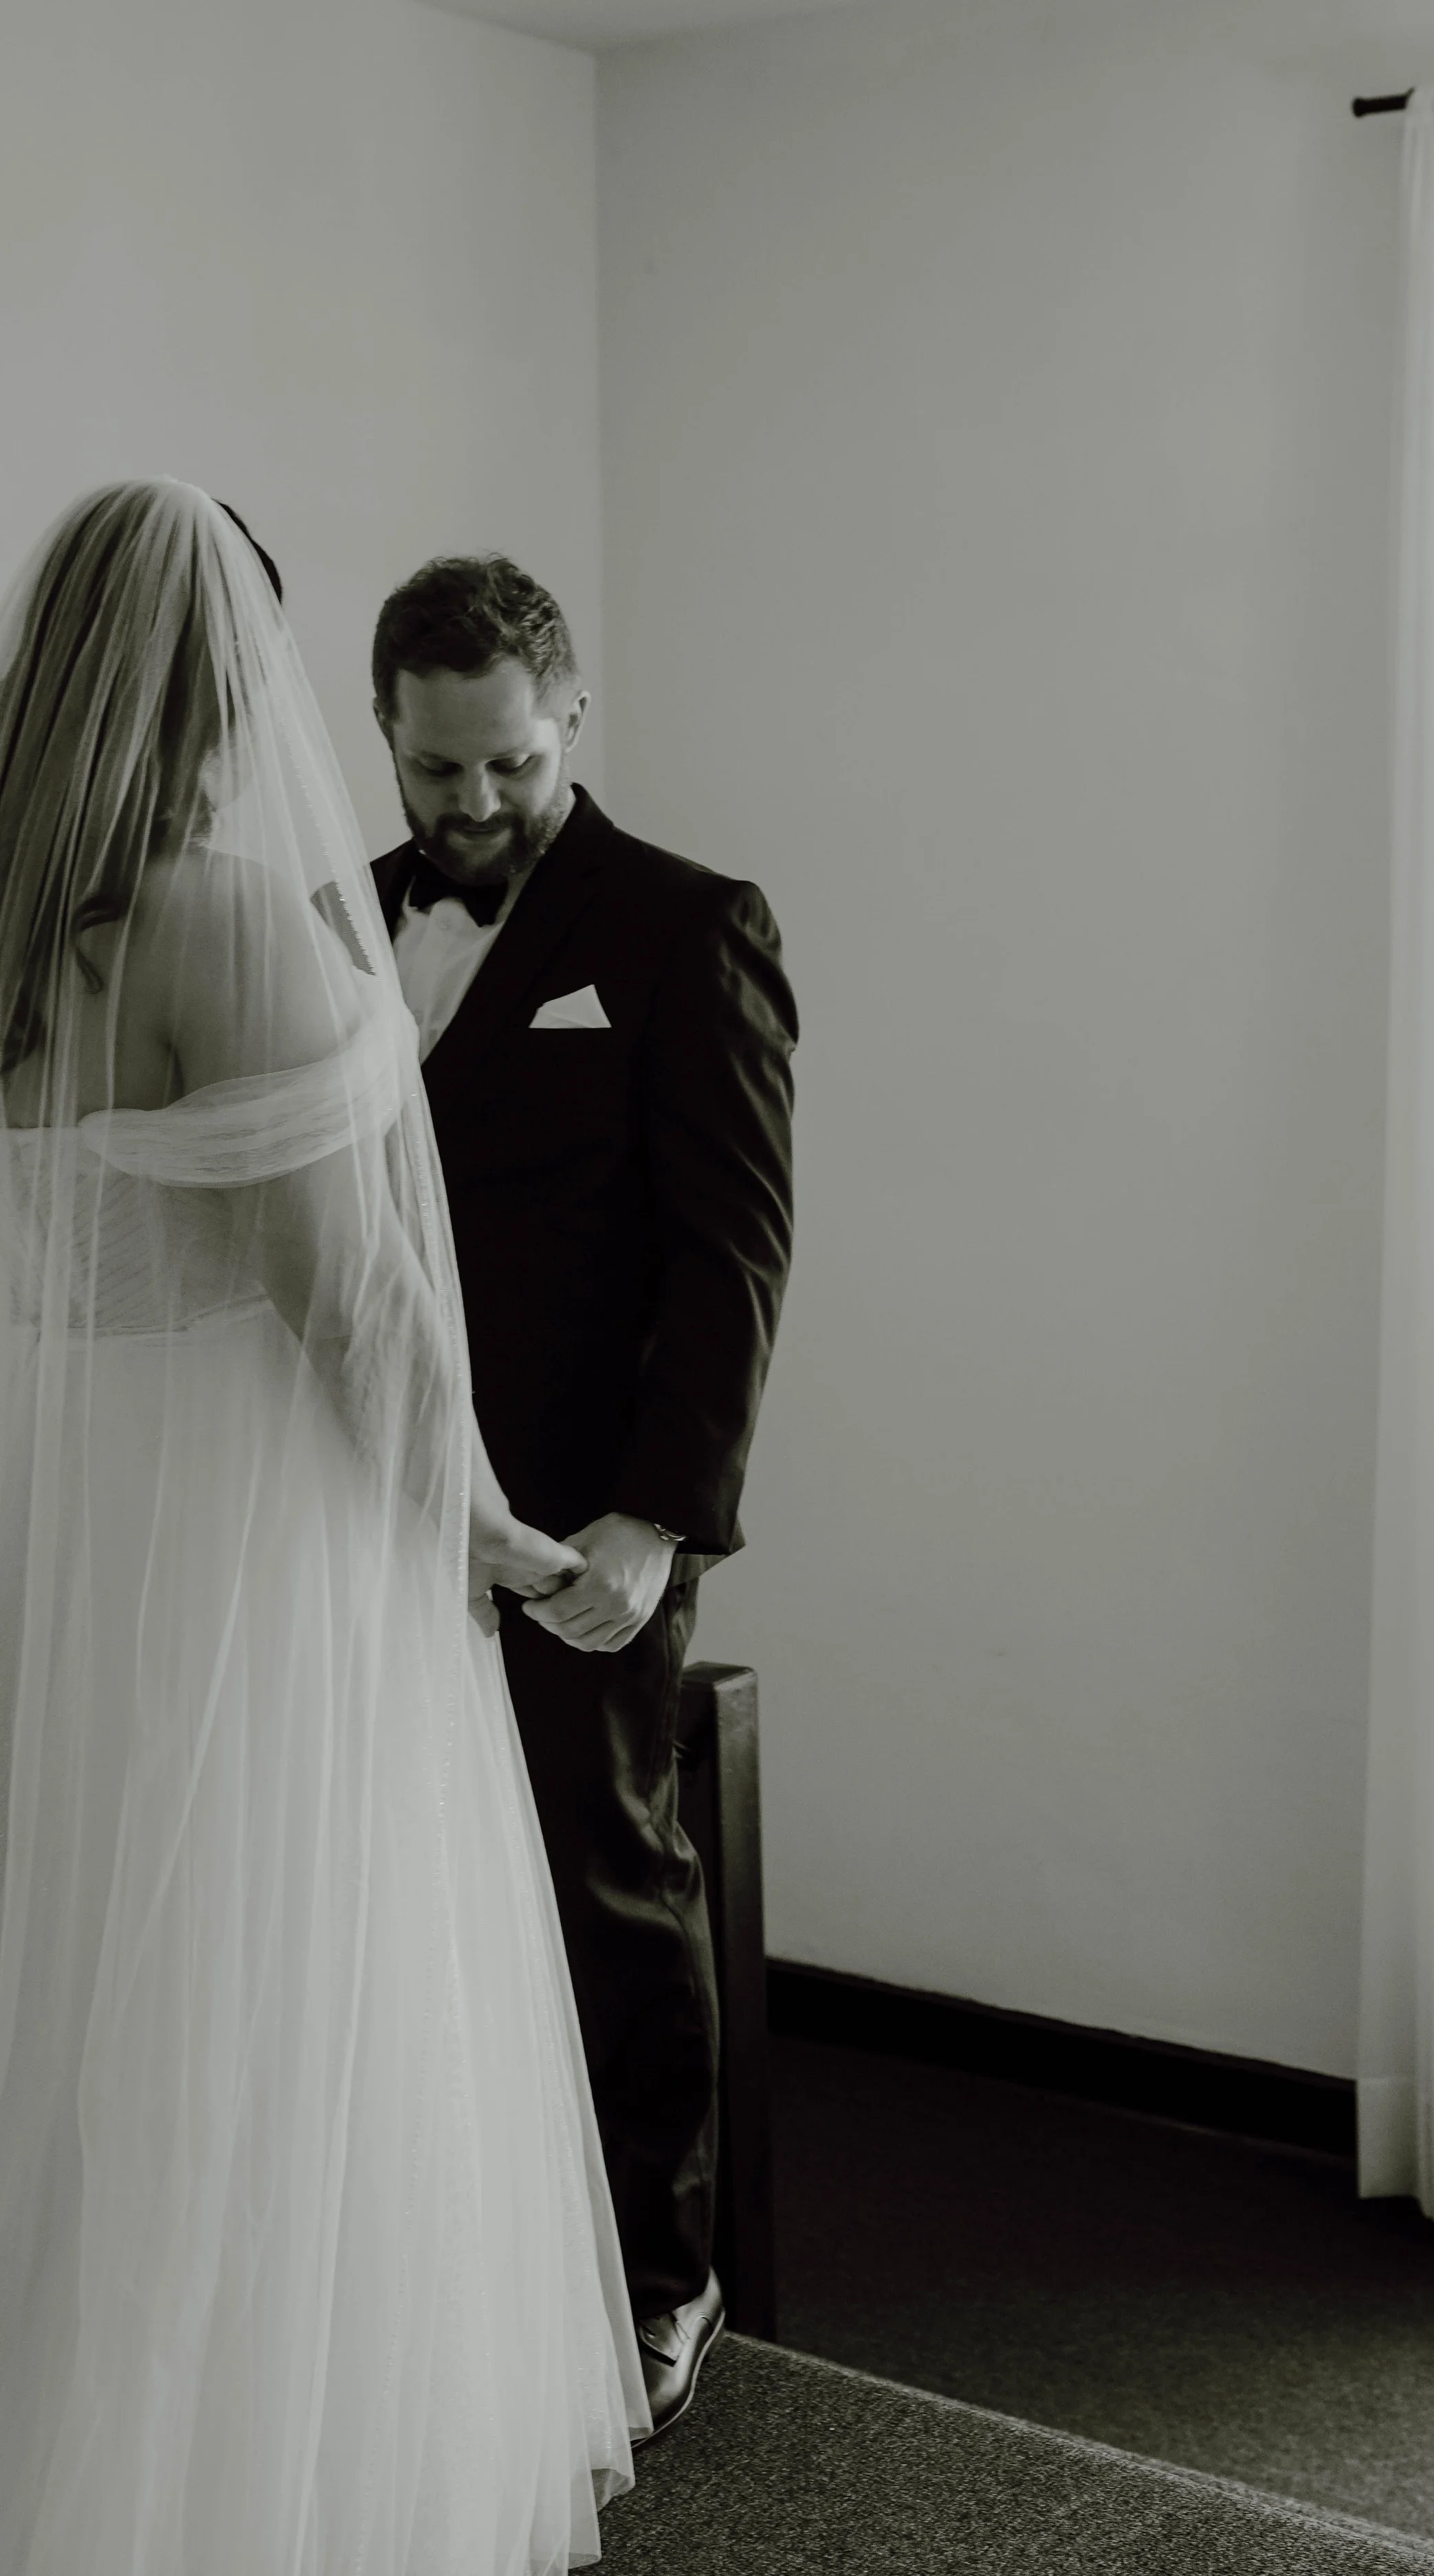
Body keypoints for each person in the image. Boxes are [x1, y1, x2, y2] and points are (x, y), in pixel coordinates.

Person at [0, 480, 650, 2575]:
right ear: (229, 676)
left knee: (92, 1984)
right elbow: (351, 1292)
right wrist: (469, 1525)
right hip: (249, 1531)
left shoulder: (25, 914)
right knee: (256, 1998)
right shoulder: (203, 915)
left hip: (78, 1518)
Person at [371, 554, 796, 2432]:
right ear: (383, 733)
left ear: (571, 725)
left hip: (580, 1529)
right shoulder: (326, 918)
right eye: (435, 770)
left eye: (509, 767)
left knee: (608, 1883)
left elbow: (733, 1254)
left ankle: (658, 2274)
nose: (470, 808)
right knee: (396, 1888)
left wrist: (656, 1519)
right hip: (363, 1500)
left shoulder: (686, 922)